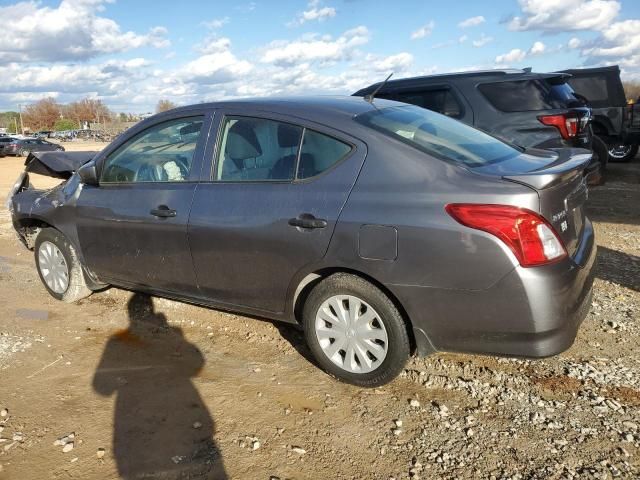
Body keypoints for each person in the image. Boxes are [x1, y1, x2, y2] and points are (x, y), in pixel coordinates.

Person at [93, 293, 227, 479]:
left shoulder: (117, 344)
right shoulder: (172, 335)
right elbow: (197, 362)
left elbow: (101, 387)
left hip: (140, 436)